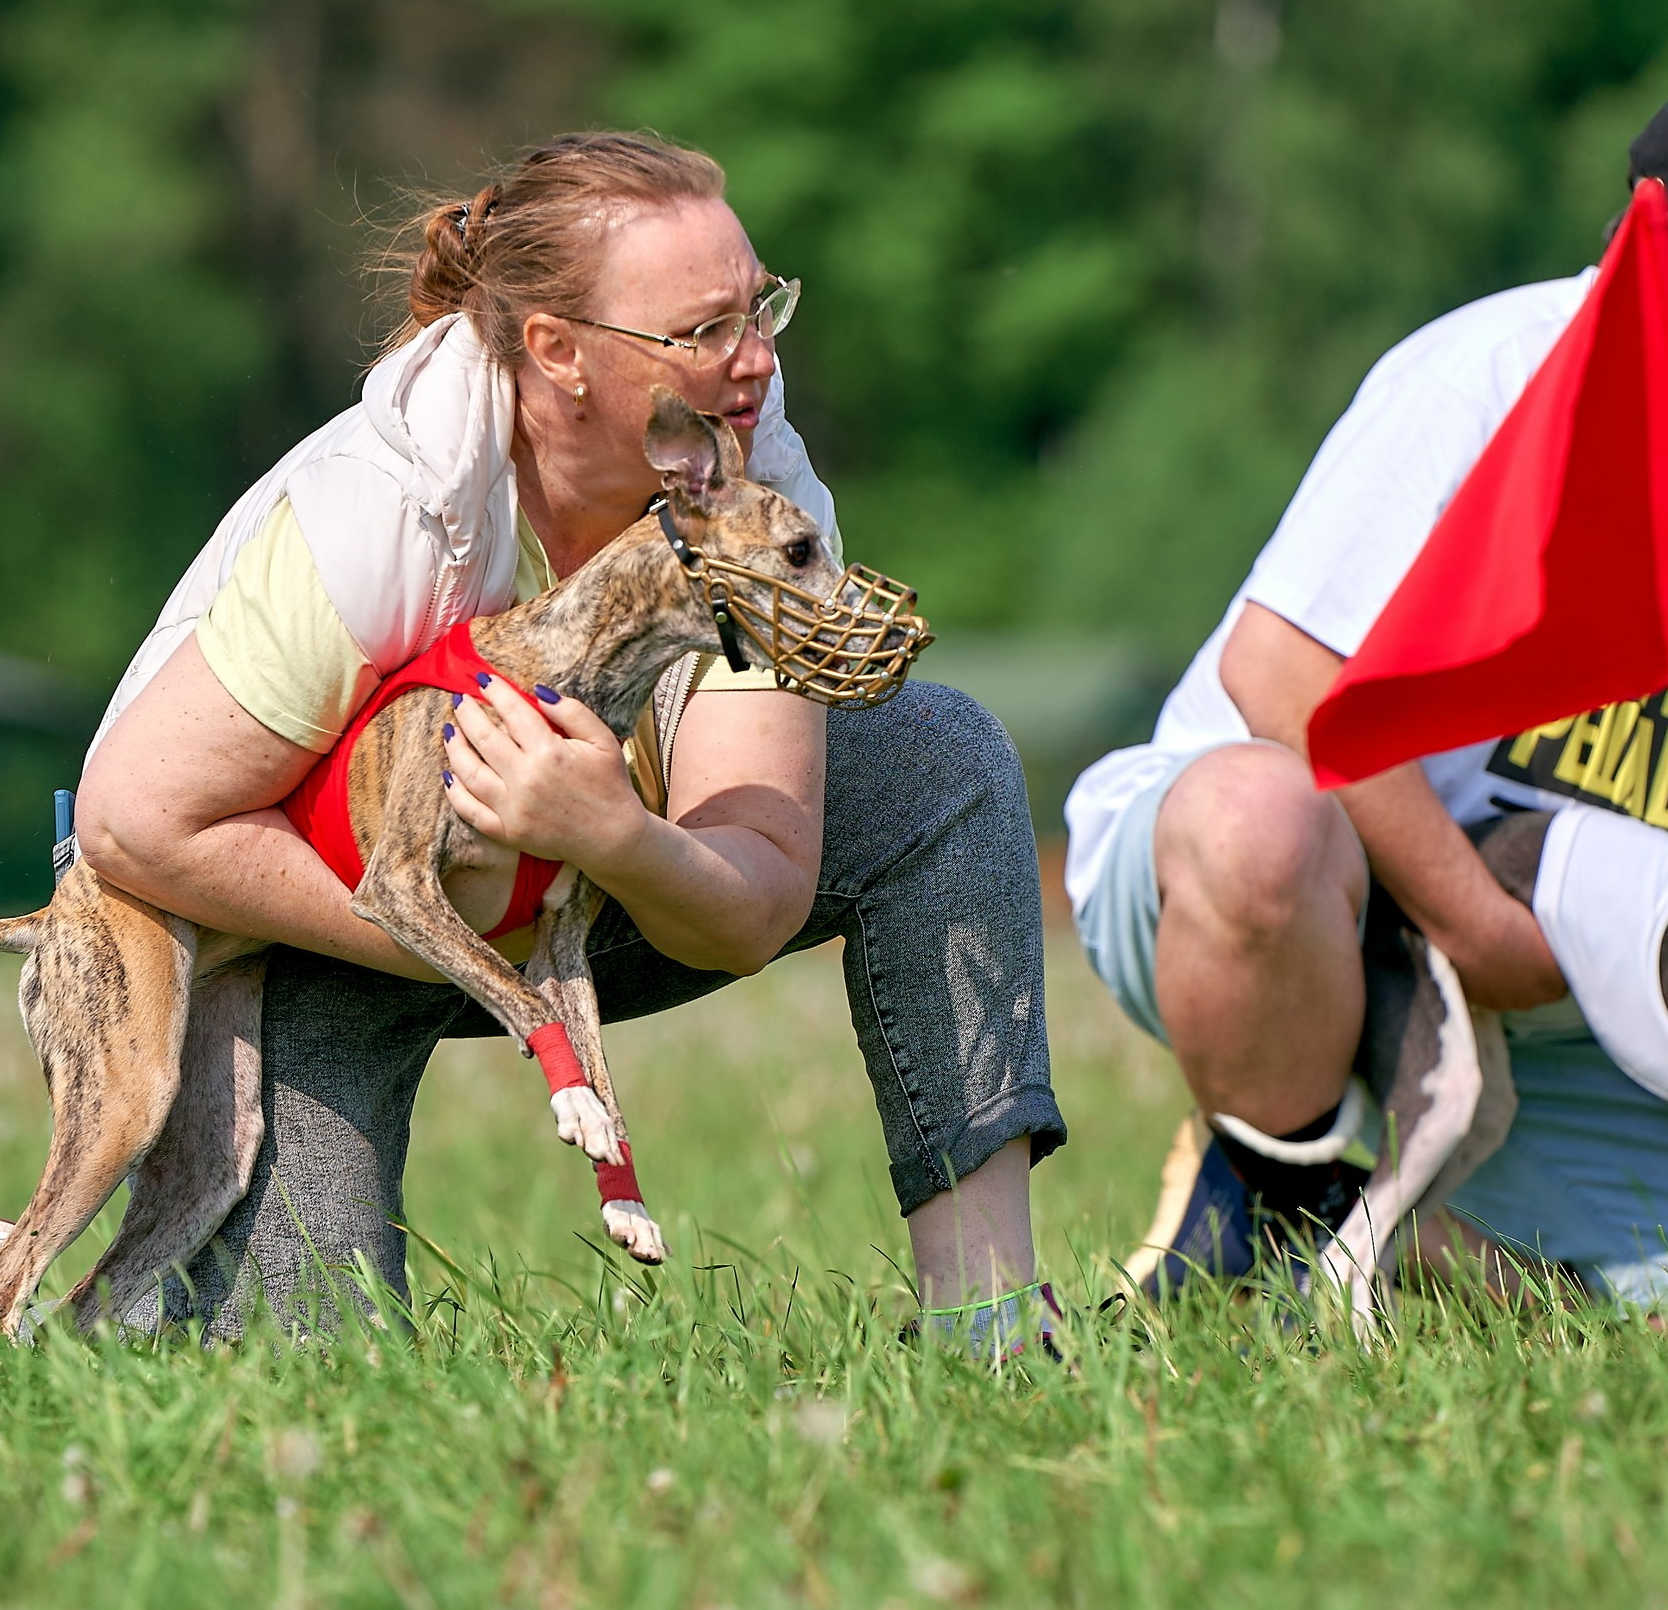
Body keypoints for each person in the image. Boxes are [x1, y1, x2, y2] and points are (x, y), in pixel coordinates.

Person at [72, 131, 1064, 1347]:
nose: (753, 360)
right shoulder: (379, 504)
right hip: (299, 940)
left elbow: (753, 890)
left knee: (935, 753)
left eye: (762, 309)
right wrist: (459, 928)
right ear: (556, 350)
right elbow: (133, 821)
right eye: (703, 331)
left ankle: (995, 1319)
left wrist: (614, 839)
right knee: (298, 1357)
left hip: (572, 898)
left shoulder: (756, 475)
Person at [1063, 60, 1668, 1301]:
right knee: (1257, 821)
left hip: (1553, 987)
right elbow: (1276, 674)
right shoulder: (1483, 378)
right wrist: (1467, 918)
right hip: (1297, 891)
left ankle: (1376, 1240)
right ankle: (1268, 1169)